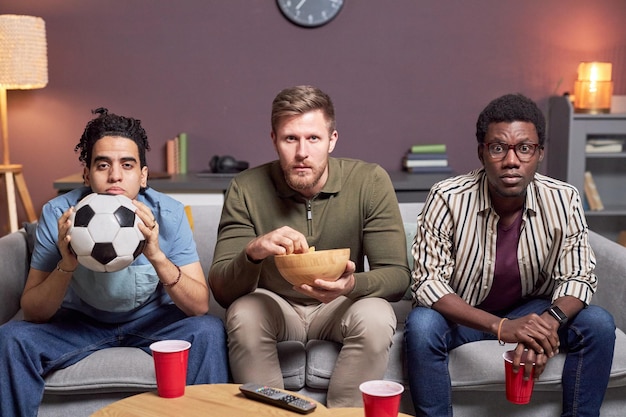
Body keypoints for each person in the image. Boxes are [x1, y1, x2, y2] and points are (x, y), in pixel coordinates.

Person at [0, 108, 229, 417]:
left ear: (143, 175)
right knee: (11, 338)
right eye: (103, 164)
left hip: (152, 323)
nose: (115, 176)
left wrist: (156, 255)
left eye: (127, 165)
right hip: (78, 324)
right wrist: (66, 264)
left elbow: (199, 306)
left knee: (209, 330)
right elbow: (33, 310)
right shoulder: (60, 214)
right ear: (86, 173)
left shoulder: (169, 212)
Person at [404, 93, 616, 417]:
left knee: (599, 323)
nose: (512, 161)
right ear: (482, 152)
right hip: (465, 312)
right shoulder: (447, 197)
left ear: (539, 153)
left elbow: (579, 276)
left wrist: (545, 325)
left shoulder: (563, 199)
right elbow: (428, 283)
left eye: (525, 148)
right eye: (498, 148)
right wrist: (503, 327)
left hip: (534, 308)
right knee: (421, 326)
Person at [208, 85, 410, 407]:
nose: (302, 152)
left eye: (313, 138)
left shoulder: (370, 181)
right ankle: (271, 415)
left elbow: (398, 276)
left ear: (332, 140)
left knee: (377, 314)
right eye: (291, 139)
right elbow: (221, 290)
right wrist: (254, 251)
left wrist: (350, 284)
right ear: (274, 140)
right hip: (275, 306)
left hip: (340, 304)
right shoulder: (245, 188)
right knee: (243, 312)